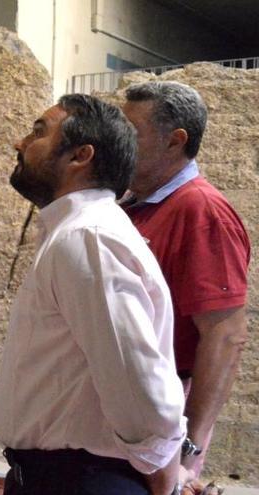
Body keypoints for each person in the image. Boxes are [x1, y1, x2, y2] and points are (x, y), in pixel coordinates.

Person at [0, 94, 187, 495]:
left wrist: (162, 468)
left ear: (80, 155)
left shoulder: (87, 237)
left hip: (82, 480)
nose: (20, 143)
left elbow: (139, 384)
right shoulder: (77, 232)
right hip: (64, 476)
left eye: (39, 132)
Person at [121, 81, 251, 488]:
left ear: (175, 141)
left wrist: (188, 448)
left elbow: (226, 335)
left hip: (162, 413)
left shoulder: (201, 210)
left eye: (132, 132)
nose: (118, 142)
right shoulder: (131, 203)